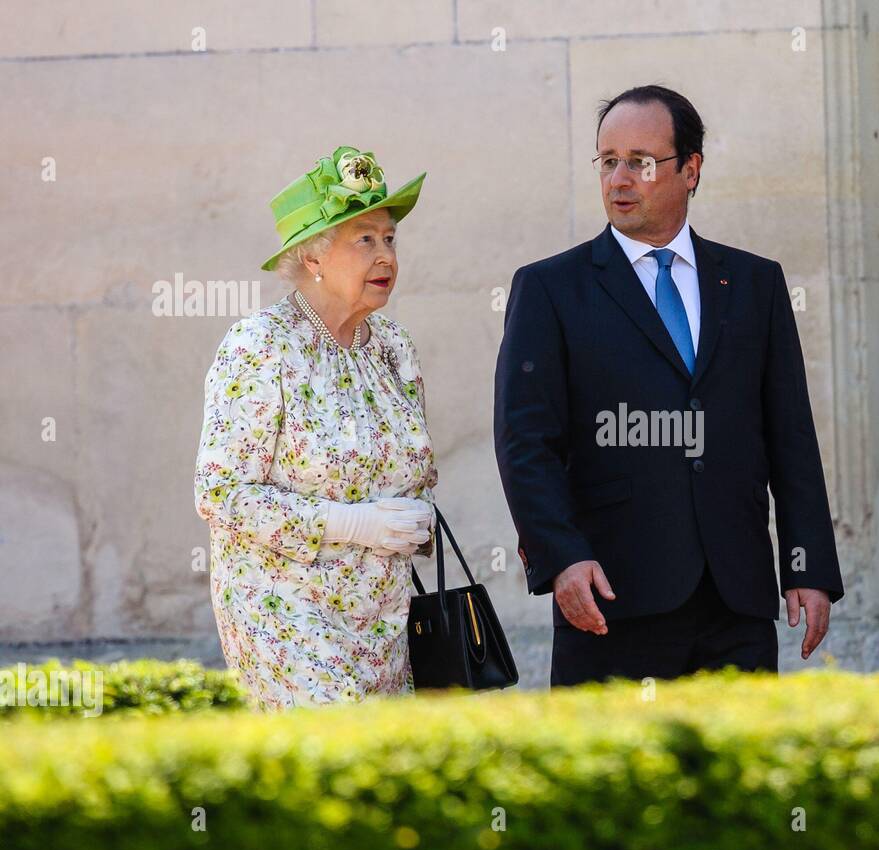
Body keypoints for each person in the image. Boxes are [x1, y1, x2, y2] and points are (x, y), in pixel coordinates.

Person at [493, 86, 844, 688]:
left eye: (640, 161)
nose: (619, 179)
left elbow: (791, 436)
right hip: (609, 597)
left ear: (691, 170)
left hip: (736, 598)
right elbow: (525, 443)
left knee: (740, 777)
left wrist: (806, 564)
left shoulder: (755, 283)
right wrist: (561, 558)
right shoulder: (551, 289)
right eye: (608, 161)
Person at [195, 145, 438, 711]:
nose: (386, 256)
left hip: (384, 617)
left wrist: (414, 520)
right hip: (286, 613)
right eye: (365, 240)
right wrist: (351, 523)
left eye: (390, 239)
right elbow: (221, 493)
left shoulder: (393, 347)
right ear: (313, 258)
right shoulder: (259, 347)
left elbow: (416, 469)